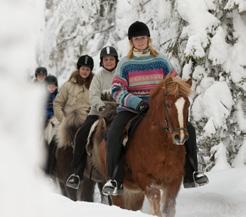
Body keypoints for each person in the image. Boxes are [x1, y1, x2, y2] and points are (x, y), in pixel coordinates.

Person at [102, 21, 209, 196]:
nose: (140, 41)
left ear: (148, 39)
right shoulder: (125, 63)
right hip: (132, 109)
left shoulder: (161, 60)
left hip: (159, 108)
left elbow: (175, 84)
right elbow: (116, 90)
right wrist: (136, 102)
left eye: (143, 38)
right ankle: (114, 179)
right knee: (114, 132)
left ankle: (192, 173)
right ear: (131, 41)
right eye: (136, 39)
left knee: (188, 128)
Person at [66, 46, 119, 189]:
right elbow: (94, 95)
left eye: (111, 59)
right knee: (81, 134)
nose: (109, 62)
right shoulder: (98, 77)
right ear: (102, 61)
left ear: (116, 60)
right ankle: (77, 172)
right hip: (97, 112)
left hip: (118, 112)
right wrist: (101, 106)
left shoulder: (121, 73)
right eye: (106, 59)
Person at [53, 55, 94, 124]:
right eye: (83, 68)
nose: (85, 71)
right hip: (69, 123)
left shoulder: (94, 86)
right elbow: (57, 104)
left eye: (87, 69)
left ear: (90, 71)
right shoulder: (68, 85)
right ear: (78, 69)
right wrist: (64, 121)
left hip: (86, 123)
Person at [44, 75, 58, 175]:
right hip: (45, 119)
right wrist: (49, 116)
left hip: (56, 120)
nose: (52, 88)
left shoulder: (59, 96)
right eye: (49, 86)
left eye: (53, 86)